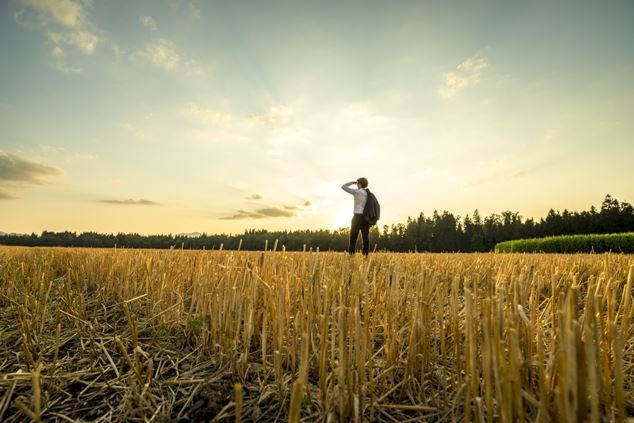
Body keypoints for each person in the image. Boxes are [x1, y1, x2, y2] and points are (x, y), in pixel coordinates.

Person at [341, 178, 370, 255]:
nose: (357, 185)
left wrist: (352, 182)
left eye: (357, 184)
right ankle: (366, 257)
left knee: (353, 239)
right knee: (365, 239)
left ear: (359, 184)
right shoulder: (368, 193)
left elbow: (343, 187)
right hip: (365, 218)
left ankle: (351, 256)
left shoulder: (357, 192)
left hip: (357, 217)